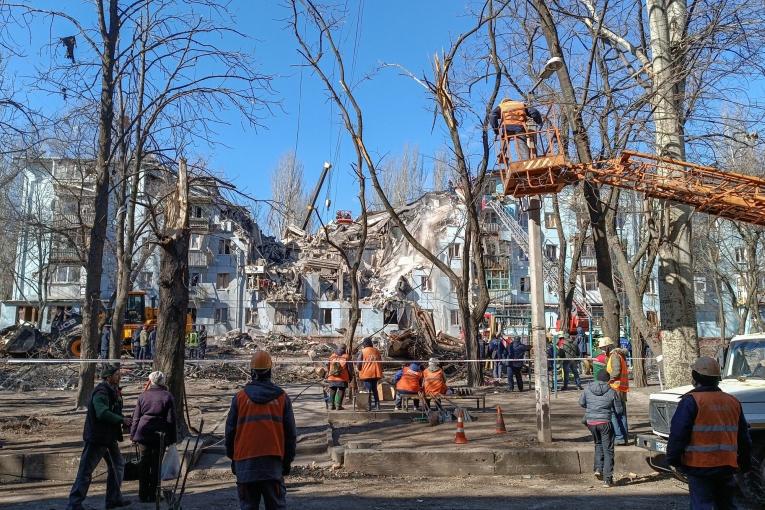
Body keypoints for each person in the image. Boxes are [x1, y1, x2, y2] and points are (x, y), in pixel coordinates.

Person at [667, 357, 752, 509]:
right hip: (727, 466)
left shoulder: (691, 401)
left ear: (695, 377)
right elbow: (743, 437)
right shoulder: (732, 401)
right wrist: (744, 463)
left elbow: (678, 434)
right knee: (726, 505)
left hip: (700, 466)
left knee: (702, 505)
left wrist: (673, 459)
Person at [225, 351, 297, 510]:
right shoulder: (282, 398)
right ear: (270, 371)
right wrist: (286, 462)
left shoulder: (239, 398)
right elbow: (290, 435)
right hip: (272, 465)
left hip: (245, 465)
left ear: (251, 372)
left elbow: (229, 433)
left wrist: (233, 459)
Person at [66, 365, 131, 510]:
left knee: (117, 466)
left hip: (109, 437)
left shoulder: (113, 391)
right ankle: (74, 504)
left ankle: (113, 499)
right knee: (85, 471)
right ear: (108, 377)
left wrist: (123, 418)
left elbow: (113, 411)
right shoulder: (101, 392)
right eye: (116, 374)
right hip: (97, 438)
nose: (119, 376)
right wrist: (121, 420)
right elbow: (102, 413)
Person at [130, 371, 177, 503]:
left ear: (150, 381)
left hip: (143, 433)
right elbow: (171, 420)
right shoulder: (167, 396)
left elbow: (136, 417)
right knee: (156, 465)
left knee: (144, 464)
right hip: (159, 435)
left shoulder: (143, 396)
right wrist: (172, 438)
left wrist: (133, 435)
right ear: (162, 381)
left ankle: (143, 494)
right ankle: (154, 494)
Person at [579, 369, 623, 488]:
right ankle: (607, 479)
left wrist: (592, 406)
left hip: (591, 423)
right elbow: (619, 411)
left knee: (598, 444)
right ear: (608, 380)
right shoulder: (612, 391)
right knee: (608, 450)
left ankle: (598, 468)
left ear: (597, 378)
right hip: (605, 423)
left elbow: (581, 403)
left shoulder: (587, 389)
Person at [490, 97, 544, 162]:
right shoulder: (520, 104)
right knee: (521, 144)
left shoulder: (501, 106)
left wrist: (496, 129)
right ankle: (525, 161)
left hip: (507, 126)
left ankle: (502, 153)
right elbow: (534, 112)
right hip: (519, 126)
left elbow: (492, 115)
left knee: (504, 139)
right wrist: (539, 122)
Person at [601, 337, 630, 445]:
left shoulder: (614, 356)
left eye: (603, 348)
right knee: (621, 414)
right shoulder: (618, 355)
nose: (602, 350)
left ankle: (619, 437)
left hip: (615, 389)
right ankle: (623, 437)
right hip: (620, 389)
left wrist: (608, 380)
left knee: (614, 414)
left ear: (608, 347)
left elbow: (616, 371)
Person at [356, 337, 382, 411]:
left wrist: (359, 369)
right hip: (376, 373)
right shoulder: (377, 351)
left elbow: (358, 363)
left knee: (368, 390)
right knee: (375, 390)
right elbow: (380, 361)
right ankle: (377, 405)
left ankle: (369, 406)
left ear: (365, 344)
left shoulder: (363, 351)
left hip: (367, 374)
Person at [326, 345, 353, 410]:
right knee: (341, 390)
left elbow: (328, 366)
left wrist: (327, 374)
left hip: (332, 377)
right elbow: (350, 369)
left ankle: (331, 405)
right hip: (342, 378)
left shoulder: (332, 356)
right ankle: (338, 406)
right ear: (345, 349)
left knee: (332, 390)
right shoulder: (347, 357)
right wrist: (350, 377)